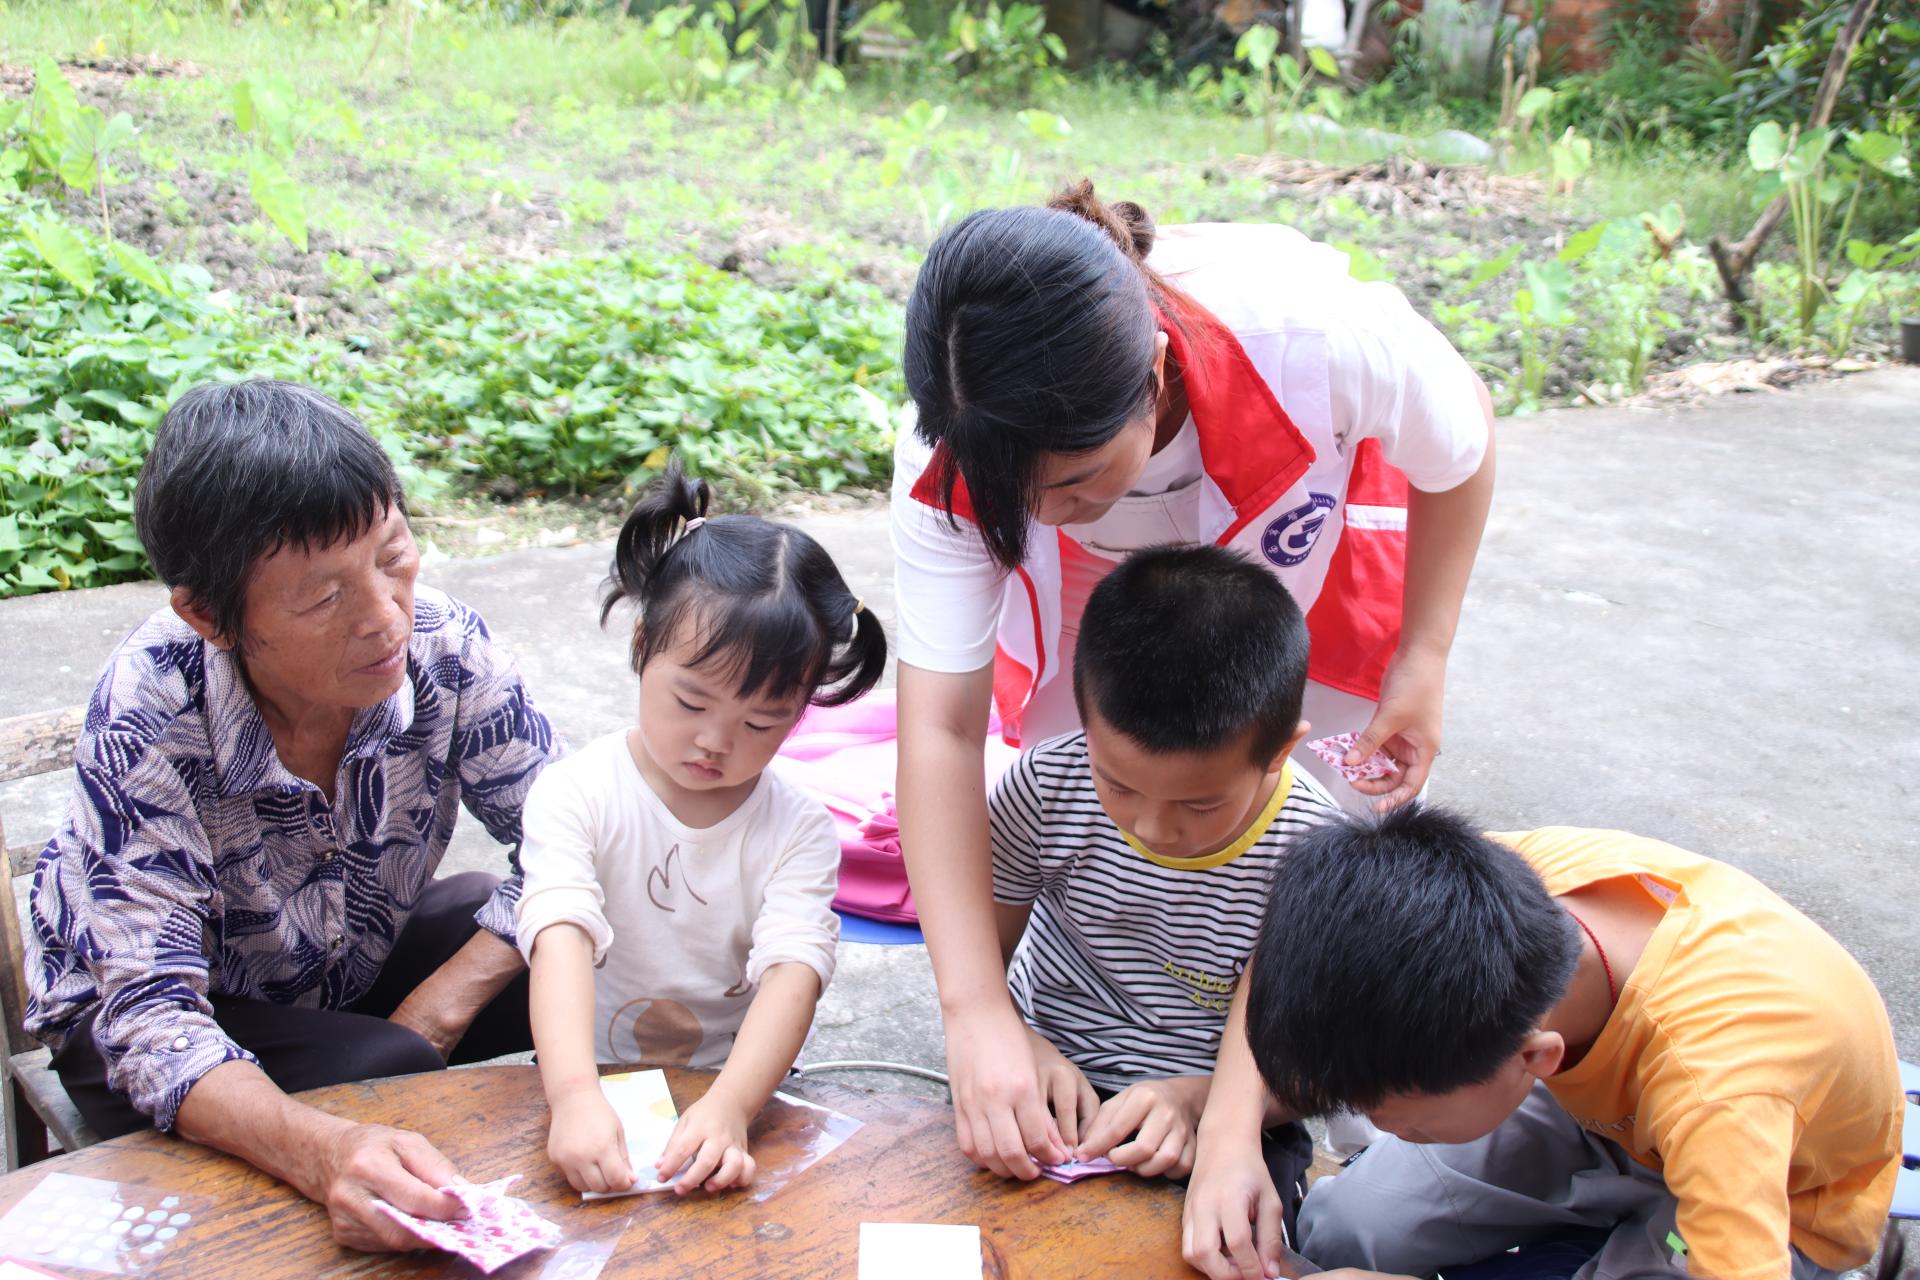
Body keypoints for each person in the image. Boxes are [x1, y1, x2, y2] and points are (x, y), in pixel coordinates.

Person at [888, 179, 1497, 1193]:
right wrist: (977, 1013)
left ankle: (1278, 1090)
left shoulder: (1316, 338)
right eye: (1013, 496)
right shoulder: (954, 443)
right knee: (1110, 797)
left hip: (1288, 584)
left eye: (1072, 481)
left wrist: (1422, 657)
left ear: (1157, 372)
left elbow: (1461, 443)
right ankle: (1116, 1031)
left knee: (1318, 858)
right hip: (1100, 610)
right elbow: (940, 730)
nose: (1046, 513)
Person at [26, 380, 563, 1251]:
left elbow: (571, 840)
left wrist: (437, 1008)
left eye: (393, 555)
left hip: (335, 966)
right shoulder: (150, 711)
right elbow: (150, 1017)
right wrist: (324, 1152)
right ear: (210, 615)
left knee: (568, 949)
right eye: (323, 598)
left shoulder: (445, 645)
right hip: (150, 1013)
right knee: (385, 1069)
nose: (385, 618)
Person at [1226, 807, 1901, 1280]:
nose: (1381, 1125)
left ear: (1533, 1060)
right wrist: (1230, 1139)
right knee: (1348, 1230)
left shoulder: (1721, 1087)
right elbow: (1292, 952)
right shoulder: (1487, 886)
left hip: (1777, 1194)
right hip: (1613, 1122)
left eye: (1403, 1121)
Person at [519, 460, 887, 1198]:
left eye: (761, 723)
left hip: (738, 1087)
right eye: (690, 703)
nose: (715, 742)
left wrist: (732, 1107)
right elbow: (559, 933)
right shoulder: (578, 792)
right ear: (641, 646)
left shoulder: (796, 829)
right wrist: (573, 1094)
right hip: (587, 1080)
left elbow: (794, 969)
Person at [989, 545, 1337, 1237]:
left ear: (1280, 751)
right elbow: (977, 957)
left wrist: (1198, 1103)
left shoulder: (1318, 857)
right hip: (1047, 1071)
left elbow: (1319, 1069)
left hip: (1234, 1109)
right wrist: (1014, 1040)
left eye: (1200, 804)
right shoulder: (1044, 787)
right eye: (1117, 783)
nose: (1151, 827)